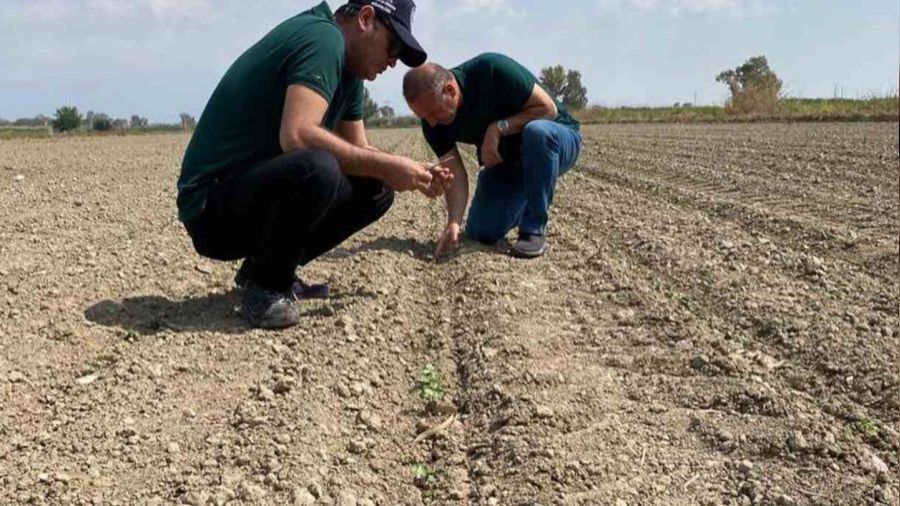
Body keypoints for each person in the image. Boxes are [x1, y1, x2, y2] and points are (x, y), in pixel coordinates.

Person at [177, 0, 451, 329]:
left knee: (376, 188)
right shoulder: (324, 38)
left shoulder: (351, 73)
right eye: (393, 47)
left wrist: (409, 171)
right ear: (366, 18)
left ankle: (264, 267)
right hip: (209, 209)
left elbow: (359, 149)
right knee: (318, 168)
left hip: (248, 195)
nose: (393, 62)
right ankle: (266, 288)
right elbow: (298, 136)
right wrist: (388, 165)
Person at [403, 53, 581, 259]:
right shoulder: (432, 123)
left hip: (556, 139)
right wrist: (454, 222)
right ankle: (530, 193)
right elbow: (454, 172)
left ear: (450, 90)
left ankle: (533, 229)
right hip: (509, 162)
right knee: (482, 231)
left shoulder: (492, 70)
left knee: (537, 132)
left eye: (433, 113)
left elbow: (548, 109)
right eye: (424, 117)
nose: (431, 122)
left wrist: (497, 128)